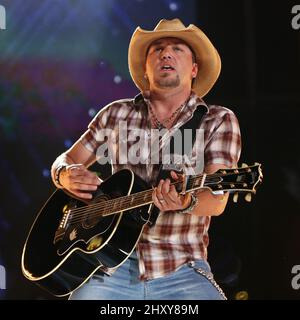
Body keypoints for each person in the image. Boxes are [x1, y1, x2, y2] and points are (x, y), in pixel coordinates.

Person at [51, 18, 241, 300]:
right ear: (145, 67)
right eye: (158, 49)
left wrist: (187, 202)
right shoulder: (114, 114)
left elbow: (217, 200)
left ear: (194, 69)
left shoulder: (217, 120)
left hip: (183, 268)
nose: (166, 53)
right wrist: (65, 173)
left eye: (178, 49)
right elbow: (64, 160)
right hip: (108, 269)